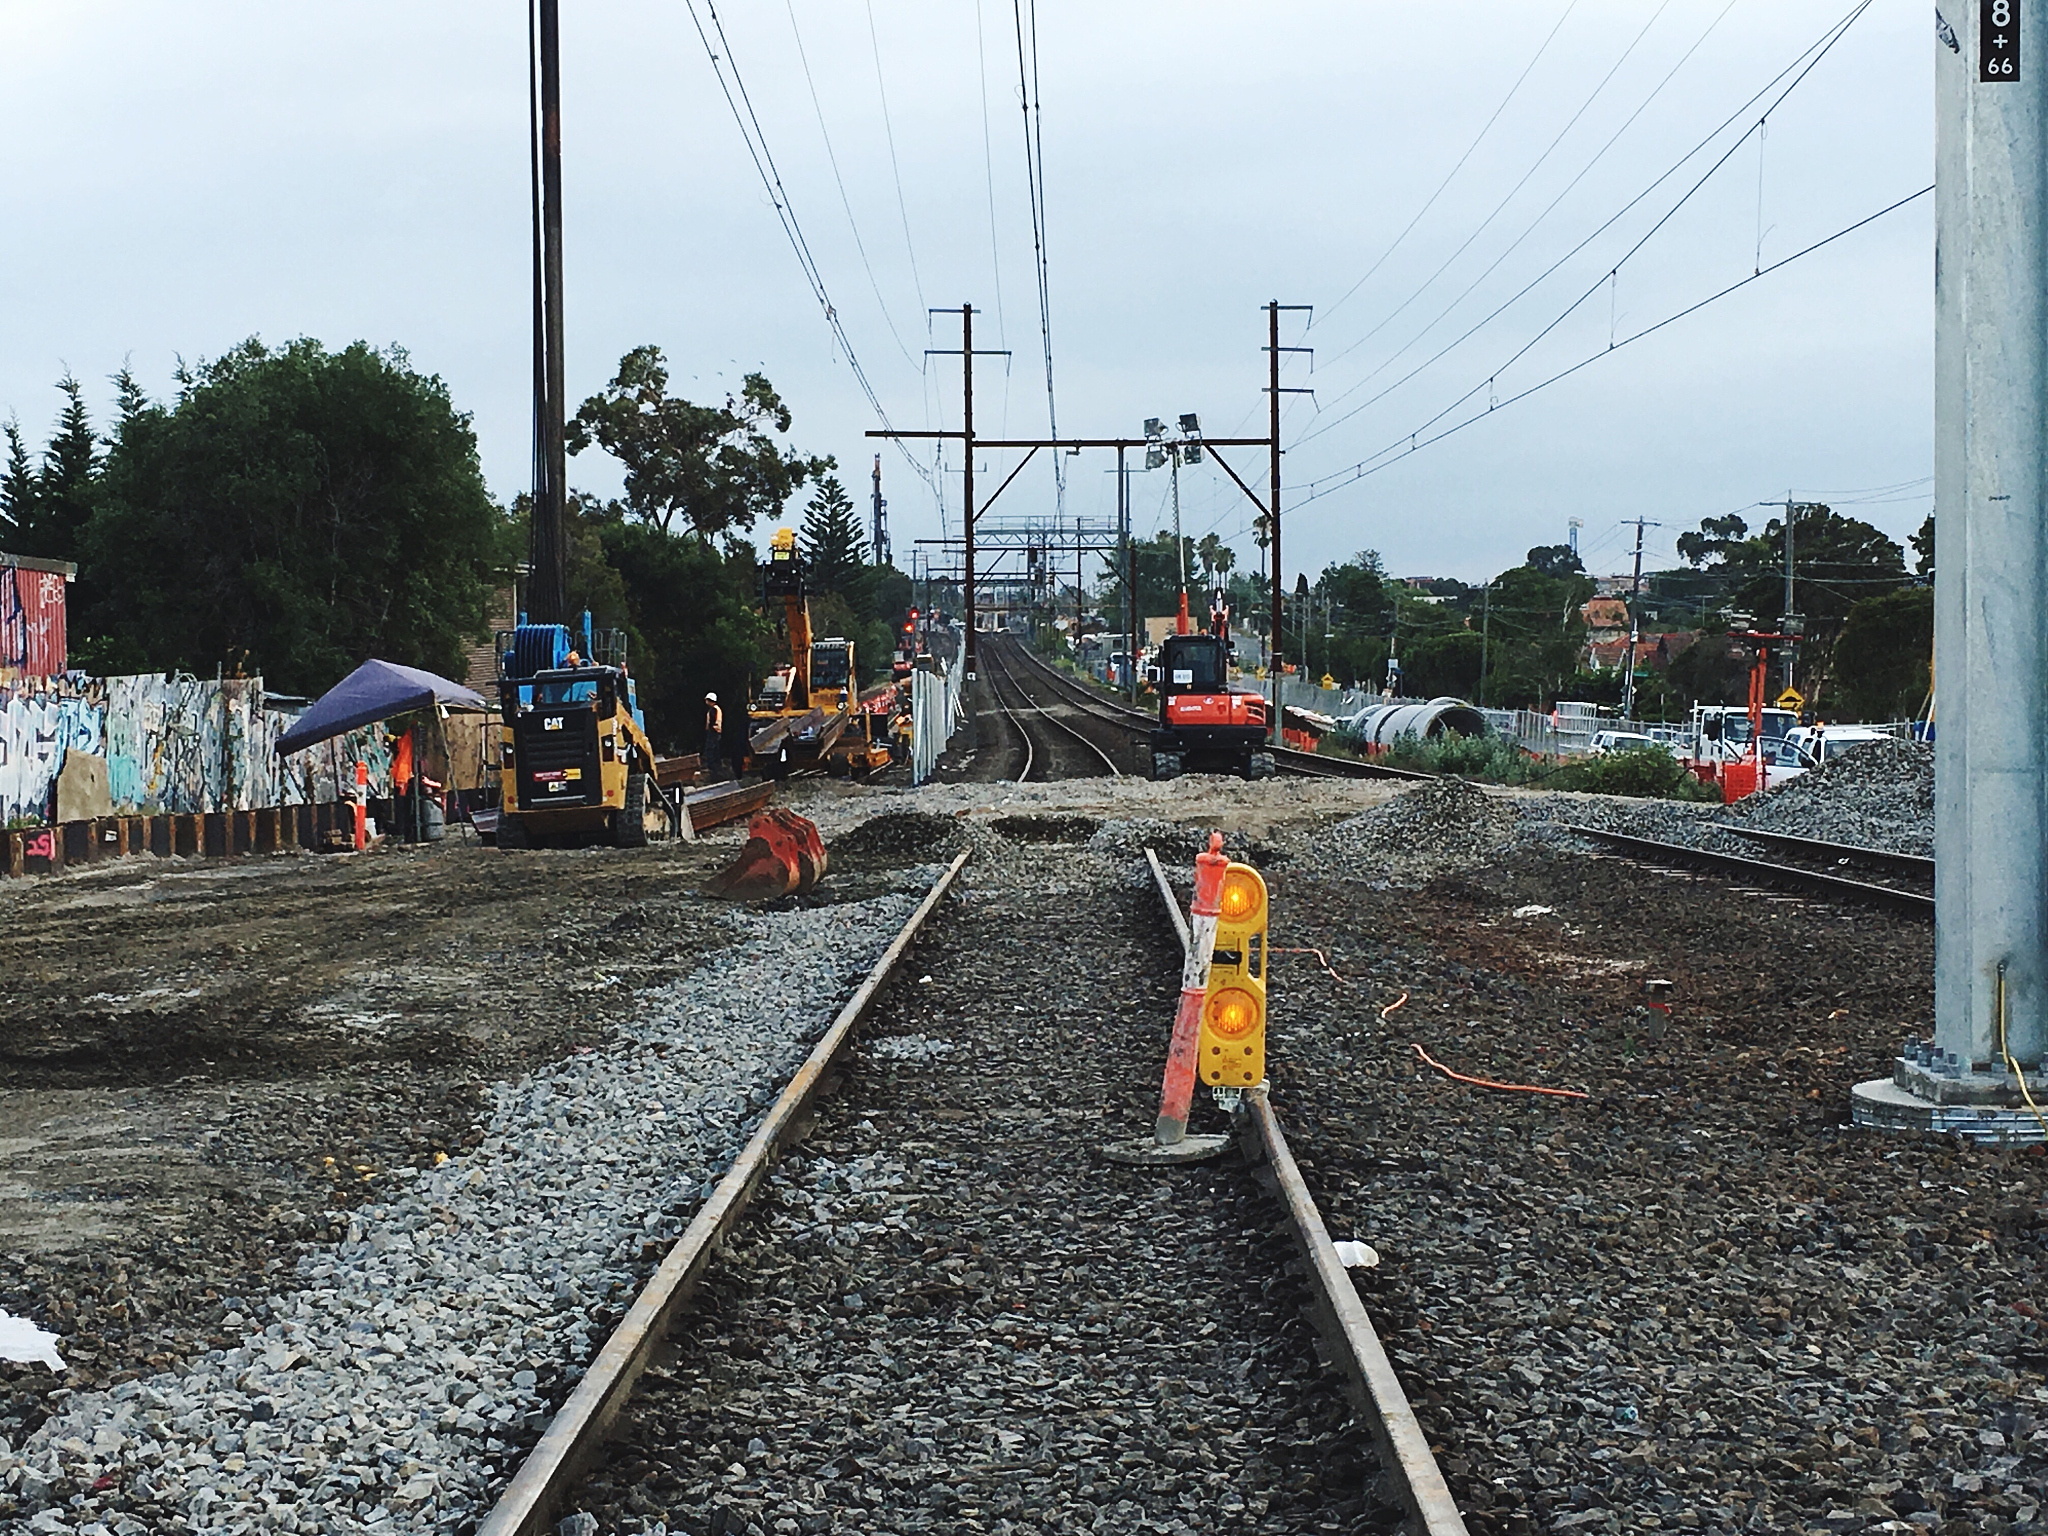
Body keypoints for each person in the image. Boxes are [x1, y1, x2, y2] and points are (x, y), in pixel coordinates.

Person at [703, 692, 724, 781]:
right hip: (716, 731)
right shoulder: (716, 709)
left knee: (710, 749)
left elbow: (713, 721)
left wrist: (710, 728)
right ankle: (716, 766)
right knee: (715, 749)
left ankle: (712, 766)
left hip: (714, 731)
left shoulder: (714, 710)